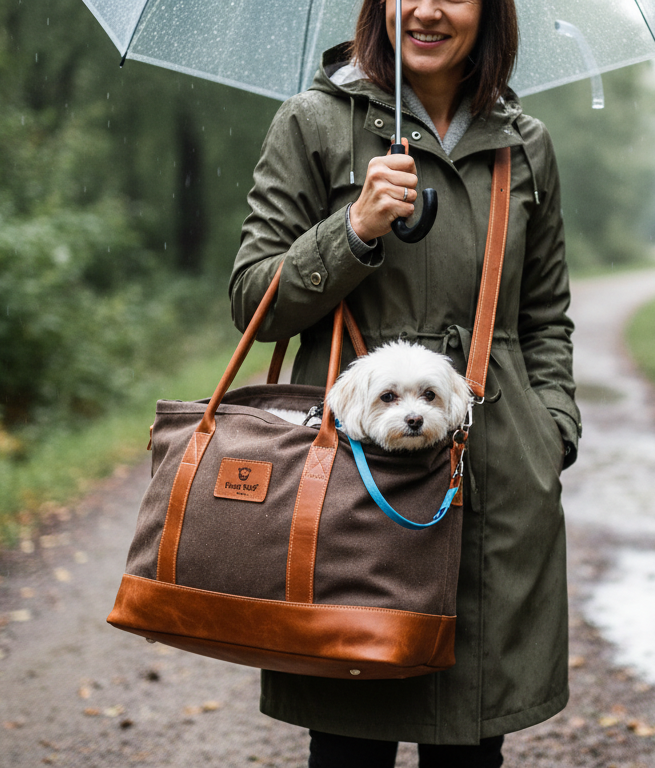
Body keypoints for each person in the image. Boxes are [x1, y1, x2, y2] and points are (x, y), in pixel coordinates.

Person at [228, 0, 580, 765]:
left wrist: (552, 431)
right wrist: (352, 230)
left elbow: (547, 314)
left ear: (489, 10)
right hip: (356, 479)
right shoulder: (312, 123)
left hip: (497, 477)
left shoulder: (526, 145)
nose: (424, 8)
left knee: (471, 742)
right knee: (351, 736)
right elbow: (252, 301)